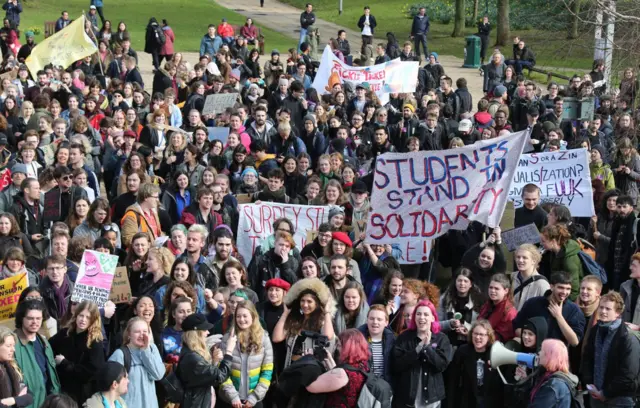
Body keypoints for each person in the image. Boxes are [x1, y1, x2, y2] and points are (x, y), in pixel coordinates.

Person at [582, 291, 640, 408]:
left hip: (621, 399)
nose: (603, 312)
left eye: (608, 309)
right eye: (601, 307)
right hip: (596, 395)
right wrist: (590, 384)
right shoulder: (595, 330)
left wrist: (606, 393)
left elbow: (628, 374)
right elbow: (587, 358)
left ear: (618, 313)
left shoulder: (627, 337)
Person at [392, 299, 451, 407]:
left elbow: (441, 366)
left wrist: (427, 347)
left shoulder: (442, 339)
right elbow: (397, 365)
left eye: (426, 314)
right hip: (407, 398)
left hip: (432, 399)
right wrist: (417, 349)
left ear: (433, 318)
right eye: (418, 314)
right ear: (414, 317)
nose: (422, 317)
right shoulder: (404, 338)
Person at [219, 301, 273, 408]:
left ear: (253, 316)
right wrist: (233, 396)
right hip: (230, 401)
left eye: (245, 316)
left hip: (254, 400)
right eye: (238, 316)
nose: (241, 319)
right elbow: (222, 371)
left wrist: (255, 396)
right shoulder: (227, 339)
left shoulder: (264, 338)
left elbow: (267, 371)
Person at [49, 301, 105, 403]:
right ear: (76, 315)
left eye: (88, 317)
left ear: (93, 319)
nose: (83, 320)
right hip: (62, 389)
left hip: (83, 394)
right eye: (81, 315)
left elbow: (93, 371)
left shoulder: (95, 341)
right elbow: (49, 346)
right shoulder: (65, 333)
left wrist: (66, 364)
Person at [272, 278, 336, 369]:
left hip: (313, 370)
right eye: (303, 301)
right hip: (292, 368)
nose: (305, 305)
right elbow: (276, 338)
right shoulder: (295, 320)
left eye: (309, 301)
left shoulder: (323, 322)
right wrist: (285, 313)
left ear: (317, 304)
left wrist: (326, 312)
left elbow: (328, 336)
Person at [177, 313, 234, 408]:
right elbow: (221, 376)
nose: (208, 332)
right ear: (195, 333)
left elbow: (209, 379)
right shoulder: (193, 358)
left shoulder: (190, 353)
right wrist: (229, 351)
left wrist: (214, 362)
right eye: (204, 329)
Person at [513, 271, 585, 347]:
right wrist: (531, 340)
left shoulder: (574, 310)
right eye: (561, 287)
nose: (564, 292)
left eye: (568, 289)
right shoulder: (532, 303)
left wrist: (559, 317)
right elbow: (517, 326)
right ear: (551, 287)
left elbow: (574, 341)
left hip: (557, 356)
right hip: (531, 354)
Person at [13, 300, 61, 408]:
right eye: (30, 318)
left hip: (46, 401)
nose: (35, 322)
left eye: (38, 318)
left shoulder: (44, 342)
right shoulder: (12, 344)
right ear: (22, 318)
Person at [108, 317, 165, 408]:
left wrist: (145, 351)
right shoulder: (120, 354)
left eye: (145, 331)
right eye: (137, 332)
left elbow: (158, 375)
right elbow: (110, 386)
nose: (142, 335)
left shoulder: (152, 349)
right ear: (129, 334)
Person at [305, 329, 371, 406]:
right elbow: (340, 377)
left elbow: (311, 387)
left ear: (347, 349)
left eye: (339, 345)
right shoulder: (363, 366)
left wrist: (308, 360)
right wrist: (328, 359)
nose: (337, 349)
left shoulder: (341, 374)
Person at [446, 320, 496, 408]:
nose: (477, 337)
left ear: (488, 336)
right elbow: (453, 379)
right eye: (475, 333)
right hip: (466, 400)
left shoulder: (494, 353)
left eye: (481, 335)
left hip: (488, 401)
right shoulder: (462, 351)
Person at [438, 268, 482, 348]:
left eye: (465, 281)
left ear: (471, 284)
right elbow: (437, 324)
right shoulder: (445, 299)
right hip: (448, 343)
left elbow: (482, 325)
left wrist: (468, 330)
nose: (462, 284)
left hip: (471, 344)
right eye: (459, 280)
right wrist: (450, 323)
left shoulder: (478, 301)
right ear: (455, 282)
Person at [528, 339, 578, 408]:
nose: (539, 353)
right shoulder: (553, 378)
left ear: (549, 356)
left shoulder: (553, 385)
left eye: (542, 350)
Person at [539, 224, 584, 299]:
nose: (541, 243)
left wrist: (565, 305)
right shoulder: (553, 252)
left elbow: (574, 289)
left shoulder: (569, 260)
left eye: (544, 241)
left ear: (553, 241)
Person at [0, 326, 34, 408]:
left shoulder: (11, 367)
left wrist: (12, 400)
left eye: (13, 345)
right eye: (8, 346)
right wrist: (19, 399)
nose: (13, 349)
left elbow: (30, 396)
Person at [478, 274, 516, 342]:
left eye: (496, 288)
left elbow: (501, 337)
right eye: (490, 287)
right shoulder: (487, 304)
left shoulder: (509, 312)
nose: (492, 291)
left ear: (506, 291)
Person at [511, 244, 549, 311]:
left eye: (524, 258)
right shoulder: (512, 277)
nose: (520, 260)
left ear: (533, 261)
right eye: (518, 257)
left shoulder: (542, 284)